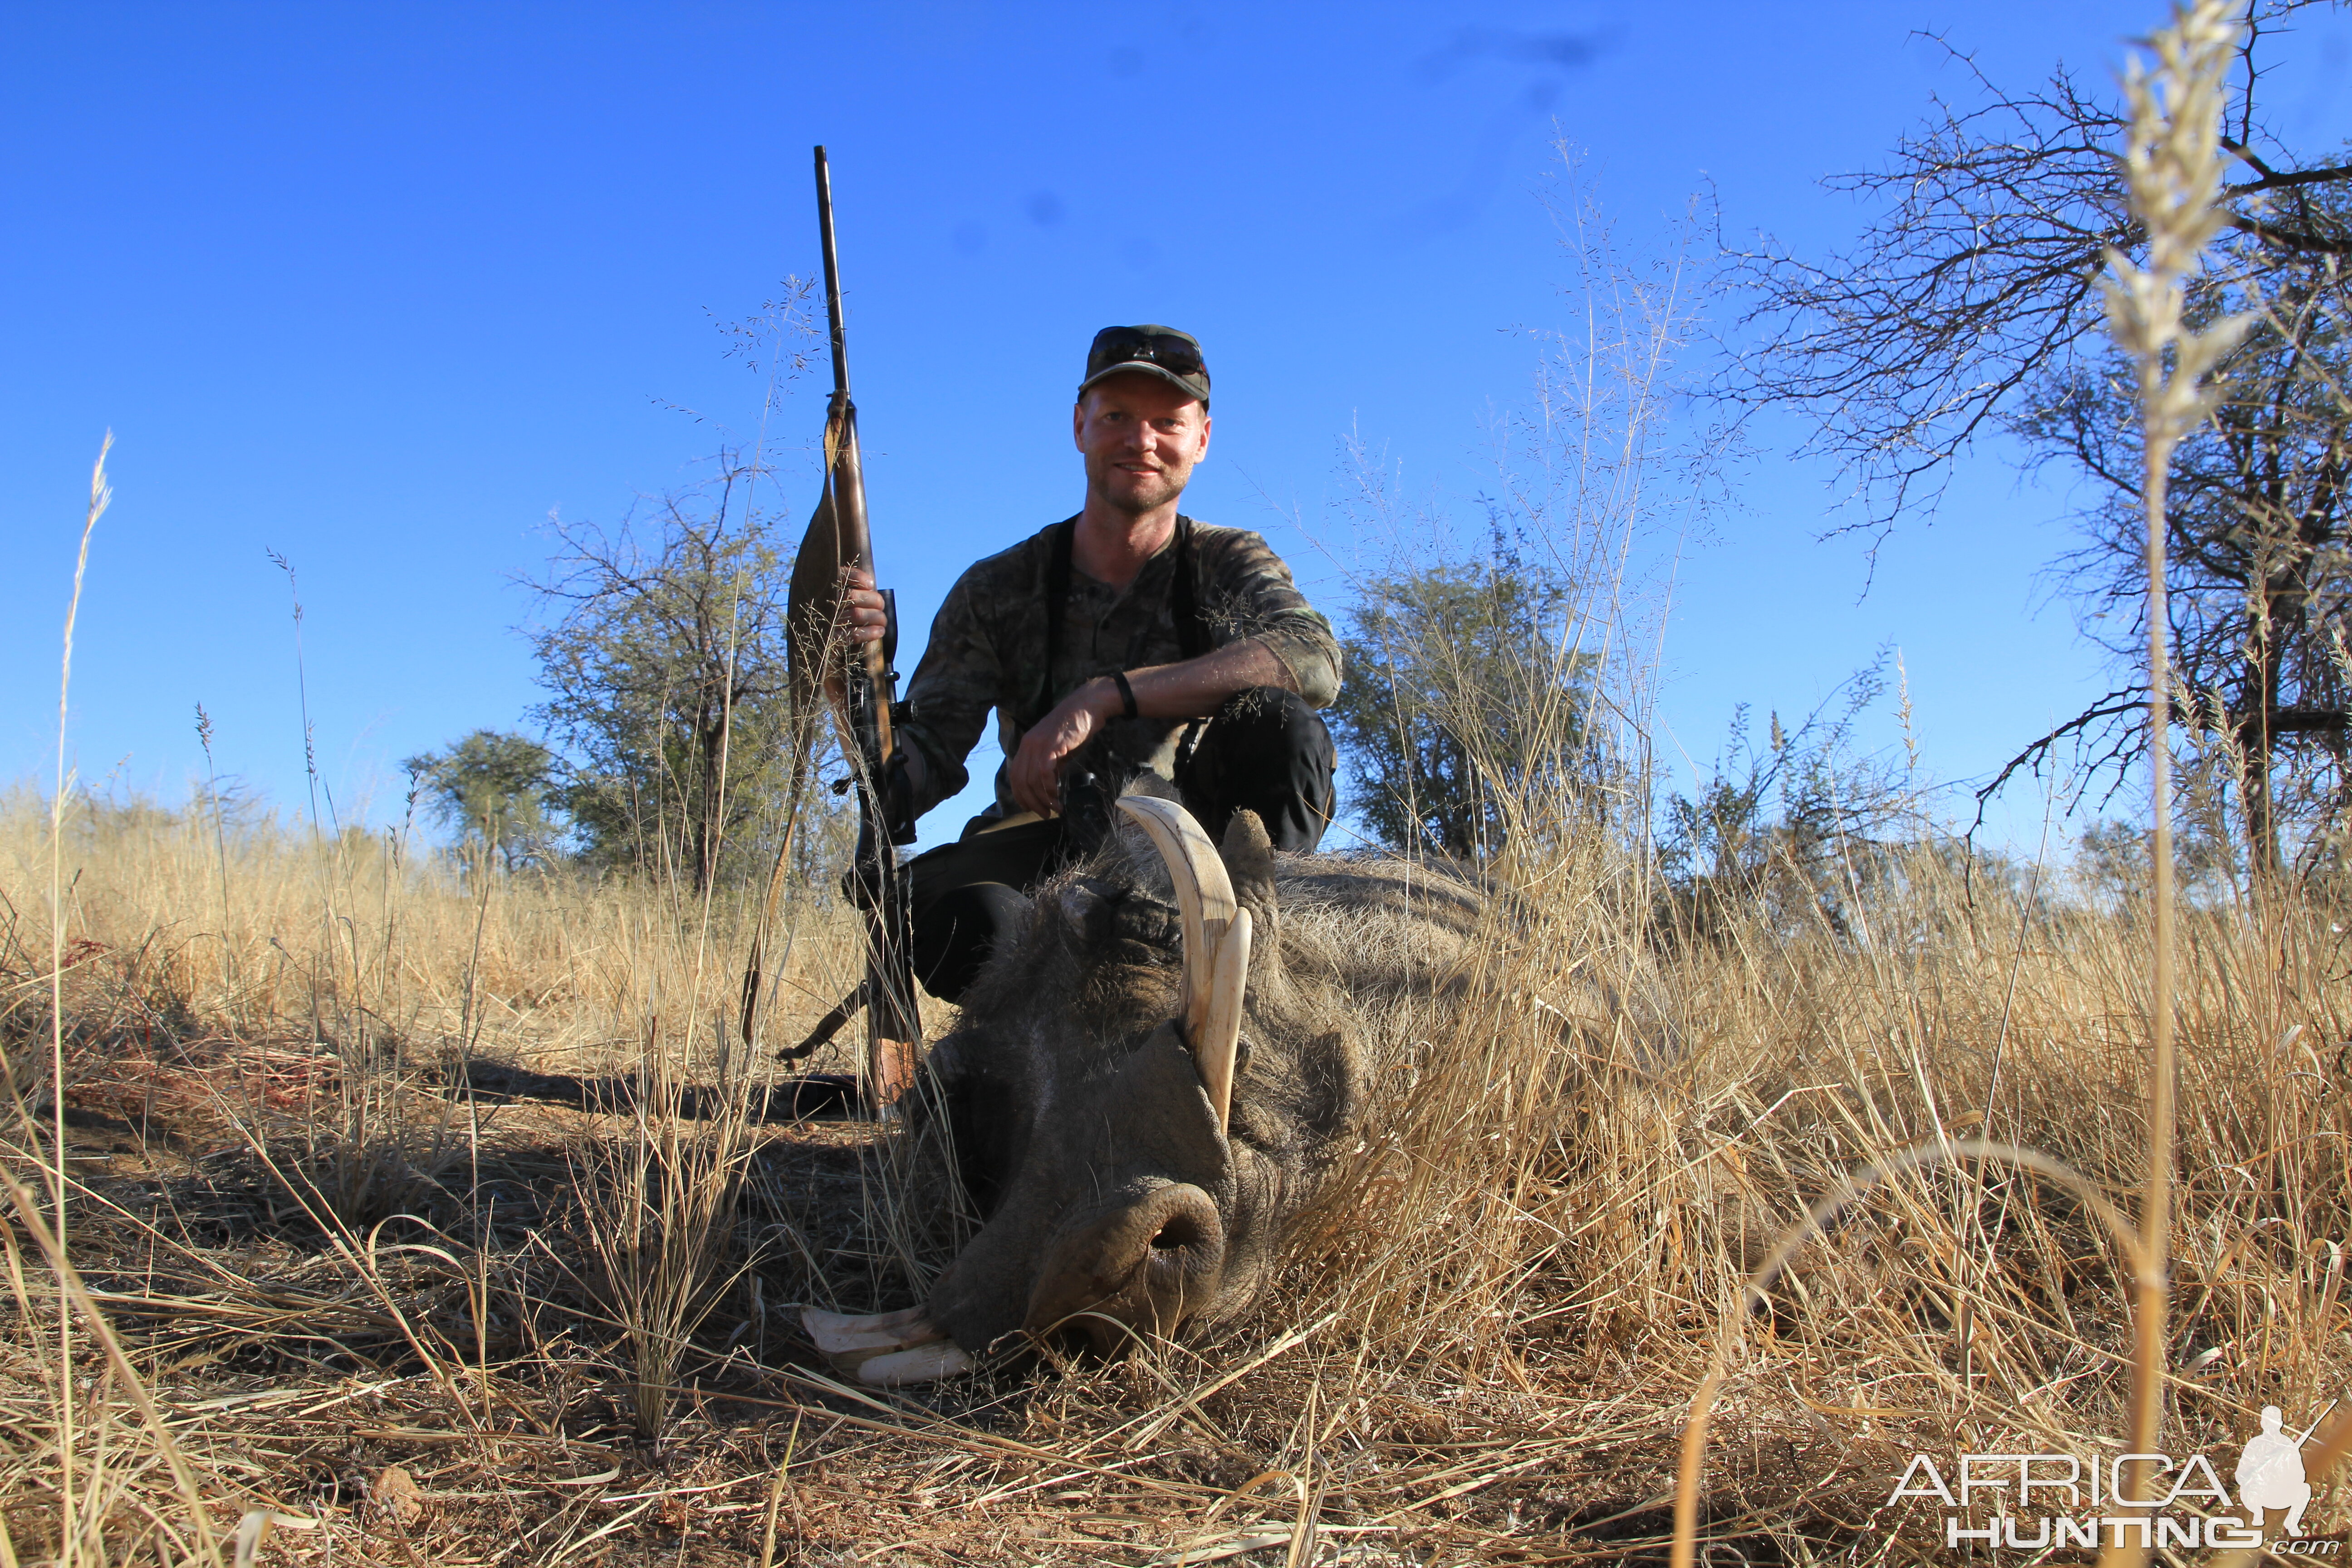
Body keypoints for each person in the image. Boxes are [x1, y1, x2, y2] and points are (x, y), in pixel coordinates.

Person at [838, 324, 1340, 1003]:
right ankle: (1067, 1030)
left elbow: (1312, 660)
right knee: (943, 921)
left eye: (1168, 421)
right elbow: (913, 776)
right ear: (1080, 427)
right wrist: (847, 678)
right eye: (1117, 419)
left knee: (1284, 726)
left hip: (1194, 853)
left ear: (1203, 439)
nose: (1142, 441)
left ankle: (1260, 988)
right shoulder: (997, 587)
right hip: (1044, 848)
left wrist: (1103, 697)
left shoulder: (1228, 561)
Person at [2237, 1405, 2313, 1536]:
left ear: (2281, 1423)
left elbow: (2301, 1476)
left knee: (2305, 1489)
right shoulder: (2255, 1444)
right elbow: (2240, 1475)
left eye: (2275, 1421)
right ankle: (2257, 1515)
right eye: (2267, 1422)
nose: (2271, 1426)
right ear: (2262, 1423)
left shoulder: (2288, 1445)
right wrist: (2257, 1475)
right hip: (2258, 1495)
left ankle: (2292, 1524)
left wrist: (2282, 1474)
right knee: (2250, 1489)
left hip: (2280, 1493)